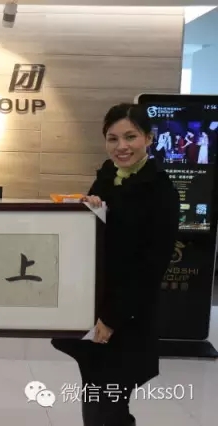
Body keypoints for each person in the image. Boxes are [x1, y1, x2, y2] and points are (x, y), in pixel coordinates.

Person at [51, 103, 179, 426]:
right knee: (97, 401)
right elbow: (93, 239)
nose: (121, 146)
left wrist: (111, 319)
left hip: (126, 317)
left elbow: (151, 267)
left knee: (107, 407)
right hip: (97, 309)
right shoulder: (107, 176)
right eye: (113, 138)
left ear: (149, 138)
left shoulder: (161, 190)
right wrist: (87, 208)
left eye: (130, 137)